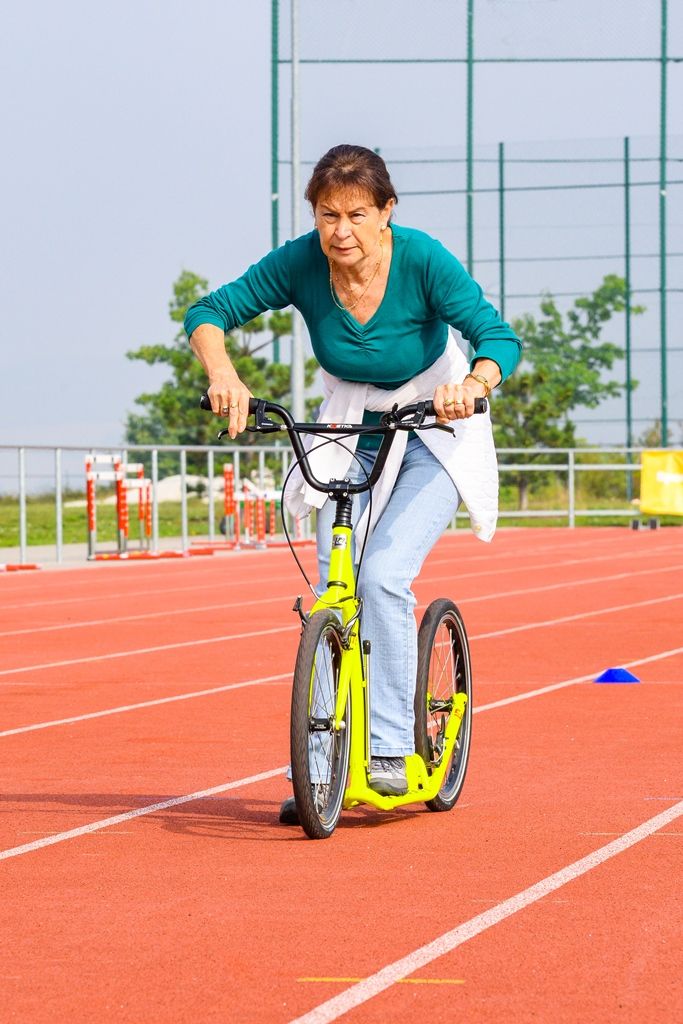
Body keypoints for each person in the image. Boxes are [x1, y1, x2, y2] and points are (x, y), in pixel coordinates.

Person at [185, 144, 522, 823]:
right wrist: (222, 373)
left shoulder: (422, 258)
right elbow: (209, 313)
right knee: (332, 589)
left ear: (386, 212)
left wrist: (473, 383)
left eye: (357, 214)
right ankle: (321, 771)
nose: (340, 231)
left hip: (433, 421)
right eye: (326, 214)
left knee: (383, 575)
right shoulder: (302, 262)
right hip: (352, 423)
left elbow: (496, 335)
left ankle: (394, 751)